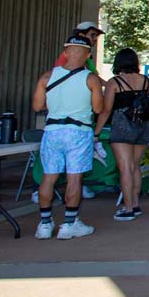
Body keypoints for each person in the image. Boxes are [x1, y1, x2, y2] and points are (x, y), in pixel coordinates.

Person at [31, 35, 104, 239]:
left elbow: (37, 106)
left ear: (65, 53)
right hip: (79, 131)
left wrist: (56, 107)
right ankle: (69, 223)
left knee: (49, 177)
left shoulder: (47, 77)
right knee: (74, 179)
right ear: (88, 55)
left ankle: (45, 224)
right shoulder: (91, 79)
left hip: (52, 131)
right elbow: (98, 108)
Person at [93, 48, 149, 222]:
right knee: (135, 166)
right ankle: (135, 204)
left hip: (122, 124)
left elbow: (106, 110)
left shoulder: (114, 82)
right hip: (143, 123)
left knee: (125, 168)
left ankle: (127, 209)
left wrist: (96, 131)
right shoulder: (145, 81)